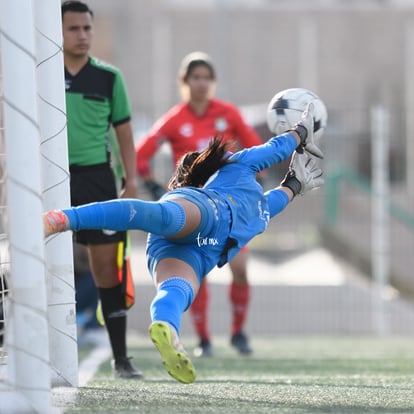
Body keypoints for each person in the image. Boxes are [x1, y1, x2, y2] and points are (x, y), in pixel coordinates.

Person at [44, 103, 324, 384]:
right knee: (173, 283)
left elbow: (277, 160)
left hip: (196, 232)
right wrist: (300, 147)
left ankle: (63, 219)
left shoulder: (250, 190)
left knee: (160, 245)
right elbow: (277, 172)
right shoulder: (246, 185)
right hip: (207, 235)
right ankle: (167, 323)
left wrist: (298, 142)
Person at [136, 51, 264, 357]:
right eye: (196, 78)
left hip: (227, 207)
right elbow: (142, 153)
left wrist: (256, 178)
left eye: (207, 78)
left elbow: (255, 148)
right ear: (185, 81)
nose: (202, 83)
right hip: (193, 210)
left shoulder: (228, 114)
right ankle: (204, 339)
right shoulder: (174, 119)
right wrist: (152, 184)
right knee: (197, 271)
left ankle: (238, 333)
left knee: (242, 268)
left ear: (213, 82)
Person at [61, 1, 142, 379]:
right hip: (51, 180)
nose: (82, 35)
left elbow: (124, 131)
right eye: (73, 28)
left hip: (97, 180)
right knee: (40, 264)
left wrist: (131, 179)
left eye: (87, 28)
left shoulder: (109, 77)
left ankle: (121, 359)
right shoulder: (39, 76)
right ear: (58, 32)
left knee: (107, 270)